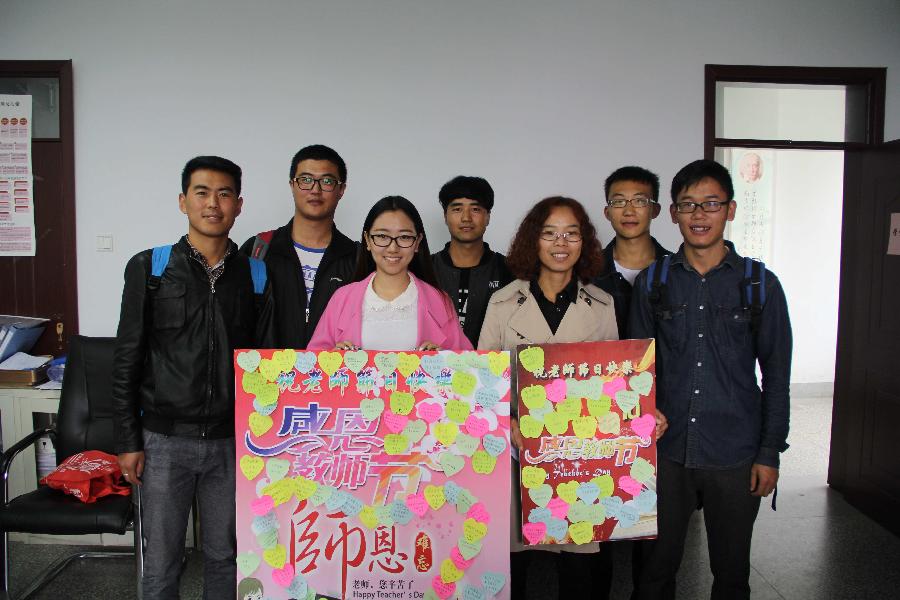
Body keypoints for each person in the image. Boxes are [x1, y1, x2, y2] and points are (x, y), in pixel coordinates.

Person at [112, 156, 274, 599]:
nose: (213, 204)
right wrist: (127, 439)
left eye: (224, 194)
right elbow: (127, 358)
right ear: (183, 201)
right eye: (202, 192)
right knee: (162, 559)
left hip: (231, 443)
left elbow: (265, 365)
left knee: (226, 555)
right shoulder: (151, 268)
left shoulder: (256, 274)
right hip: (163, 441)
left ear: (239, 205)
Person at [630, 159, 792, 600]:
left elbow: (777, 377)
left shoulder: (760, 285)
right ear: (673, 213)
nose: (699, 214)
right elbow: (635, 372)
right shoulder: (653, 283)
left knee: (732, 572)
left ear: (730, 210)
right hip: (665, 453)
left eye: (711, 204)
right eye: (688, 205)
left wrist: (769, 453)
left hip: (735, 452)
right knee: (655, 570)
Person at [477, 197, 619, 600]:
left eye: (571, 233)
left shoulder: (602, 305)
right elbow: (484, 382)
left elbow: (613, 383)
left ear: (584, 242)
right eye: (549, 233)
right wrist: (509, 425)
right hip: (516, 451)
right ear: (533, 241)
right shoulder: (503, 303)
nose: (561, 243)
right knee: (512, 564)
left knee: (578, 564)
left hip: (578, 455)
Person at [308, 195, 471, 352]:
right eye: (382, 236)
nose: (393, 248)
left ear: (417, 242)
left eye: (404, 237)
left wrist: (442, 358)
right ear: (367, 240)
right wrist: (333, 358)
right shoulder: (341, 299)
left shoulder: (440, 301)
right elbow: (312, 361)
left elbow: (466, 362)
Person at [240, 144, 356, 348]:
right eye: (306, 180)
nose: (315, 190)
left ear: (341, 190)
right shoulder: (259, 249)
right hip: (267, 369)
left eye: (327, 181)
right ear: (292, 185)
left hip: (332, 369)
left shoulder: (357, 257)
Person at [431, 175, 513, 346]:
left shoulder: (508, 270)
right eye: (457, 209)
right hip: (435, 363)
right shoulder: (426, 269)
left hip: (493, 362)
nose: (466, 218)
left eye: (475, 209)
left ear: (488, 216)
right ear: (445, 216)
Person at [594, 166, 671, 339]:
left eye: (639, 201)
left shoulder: (675, 271)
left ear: (655, 210)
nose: (629, 211)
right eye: (619, 202)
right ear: (607, 212)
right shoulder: (589, 272)